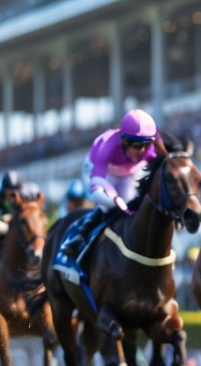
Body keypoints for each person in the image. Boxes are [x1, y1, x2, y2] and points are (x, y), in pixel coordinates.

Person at [54, 109, 159, 268]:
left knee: (132, 207)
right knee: (107, 207)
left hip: (127, 173)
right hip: (98, 173)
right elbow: (96, 189)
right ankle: (77, 236)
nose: (143, 151)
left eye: (147, 144)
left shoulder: (150, 149)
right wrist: (113, 200)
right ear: (124, 141)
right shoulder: (109, 146)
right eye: (137, 146)